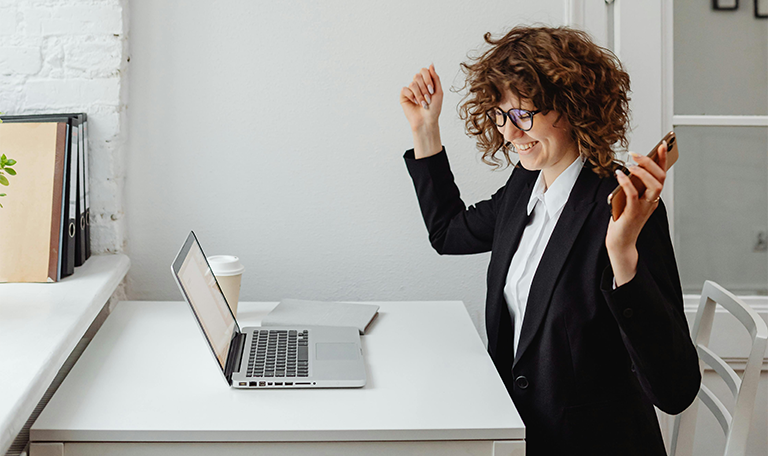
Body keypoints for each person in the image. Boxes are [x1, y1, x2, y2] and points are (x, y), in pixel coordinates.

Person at [399, 26, 700, 455]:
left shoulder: (625, 209)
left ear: (572, 107)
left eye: (523, 114)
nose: (509, 132)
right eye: (501, 115)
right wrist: (425, 130)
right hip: (517, 434)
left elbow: (675, 390)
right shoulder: (525, 185)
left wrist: (622, 255)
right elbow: (448, 233)